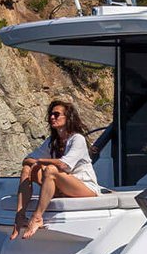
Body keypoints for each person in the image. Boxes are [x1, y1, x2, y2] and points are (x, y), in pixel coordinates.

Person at [11, 99, 101, 239]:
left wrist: (41, 162)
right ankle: (20, 216)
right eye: (51, 115)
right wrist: (36, 163)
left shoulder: (77, 139)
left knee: (51, 170)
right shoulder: (52, 141)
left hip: (85, 187)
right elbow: (27, 160)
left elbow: (64, 165)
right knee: (27, 169)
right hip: (63, 187)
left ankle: (37, 217)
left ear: (68, 117)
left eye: (56, 114)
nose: (52, 117)